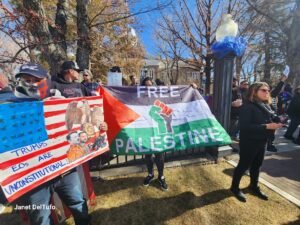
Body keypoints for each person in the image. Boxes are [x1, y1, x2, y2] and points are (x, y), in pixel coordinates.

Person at [15, 62, 91, 225]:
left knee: (78, 204)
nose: (30, 84)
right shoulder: (10, 109)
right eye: (25, 79)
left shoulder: (60, 101)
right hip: (34, 175)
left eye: (35, 79)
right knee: (41, 218)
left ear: (45, 81)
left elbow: (80, 124)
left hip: (64, 169)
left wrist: (100, 127)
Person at [230, 82, 283, 202]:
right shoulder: (247, 106)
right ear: (254, 91)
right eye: (263, 90)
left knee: (257, 166)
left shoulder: (265, 105)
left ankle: (254, 186)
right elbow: (245, 127)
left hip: (262, 140)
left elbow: (270, 116)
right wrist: (267, 126)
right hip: (249, 141)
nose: (267, 92)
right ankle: (234, 188)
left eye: (268, 90)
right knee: (243, 166)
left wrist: (277, 119)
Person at [141, 77, 168, 191]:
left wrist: (191, 87)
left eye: (150, 85)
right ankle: (150, 174)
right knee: (148, 155)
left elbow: (171, 96)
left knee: (159, 155)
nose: (148, 87)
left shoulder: (159, 96)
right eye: (146, 85)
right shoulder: (139, 98)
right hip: (146, 130)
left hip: (158, 131)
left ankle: (161, 176)